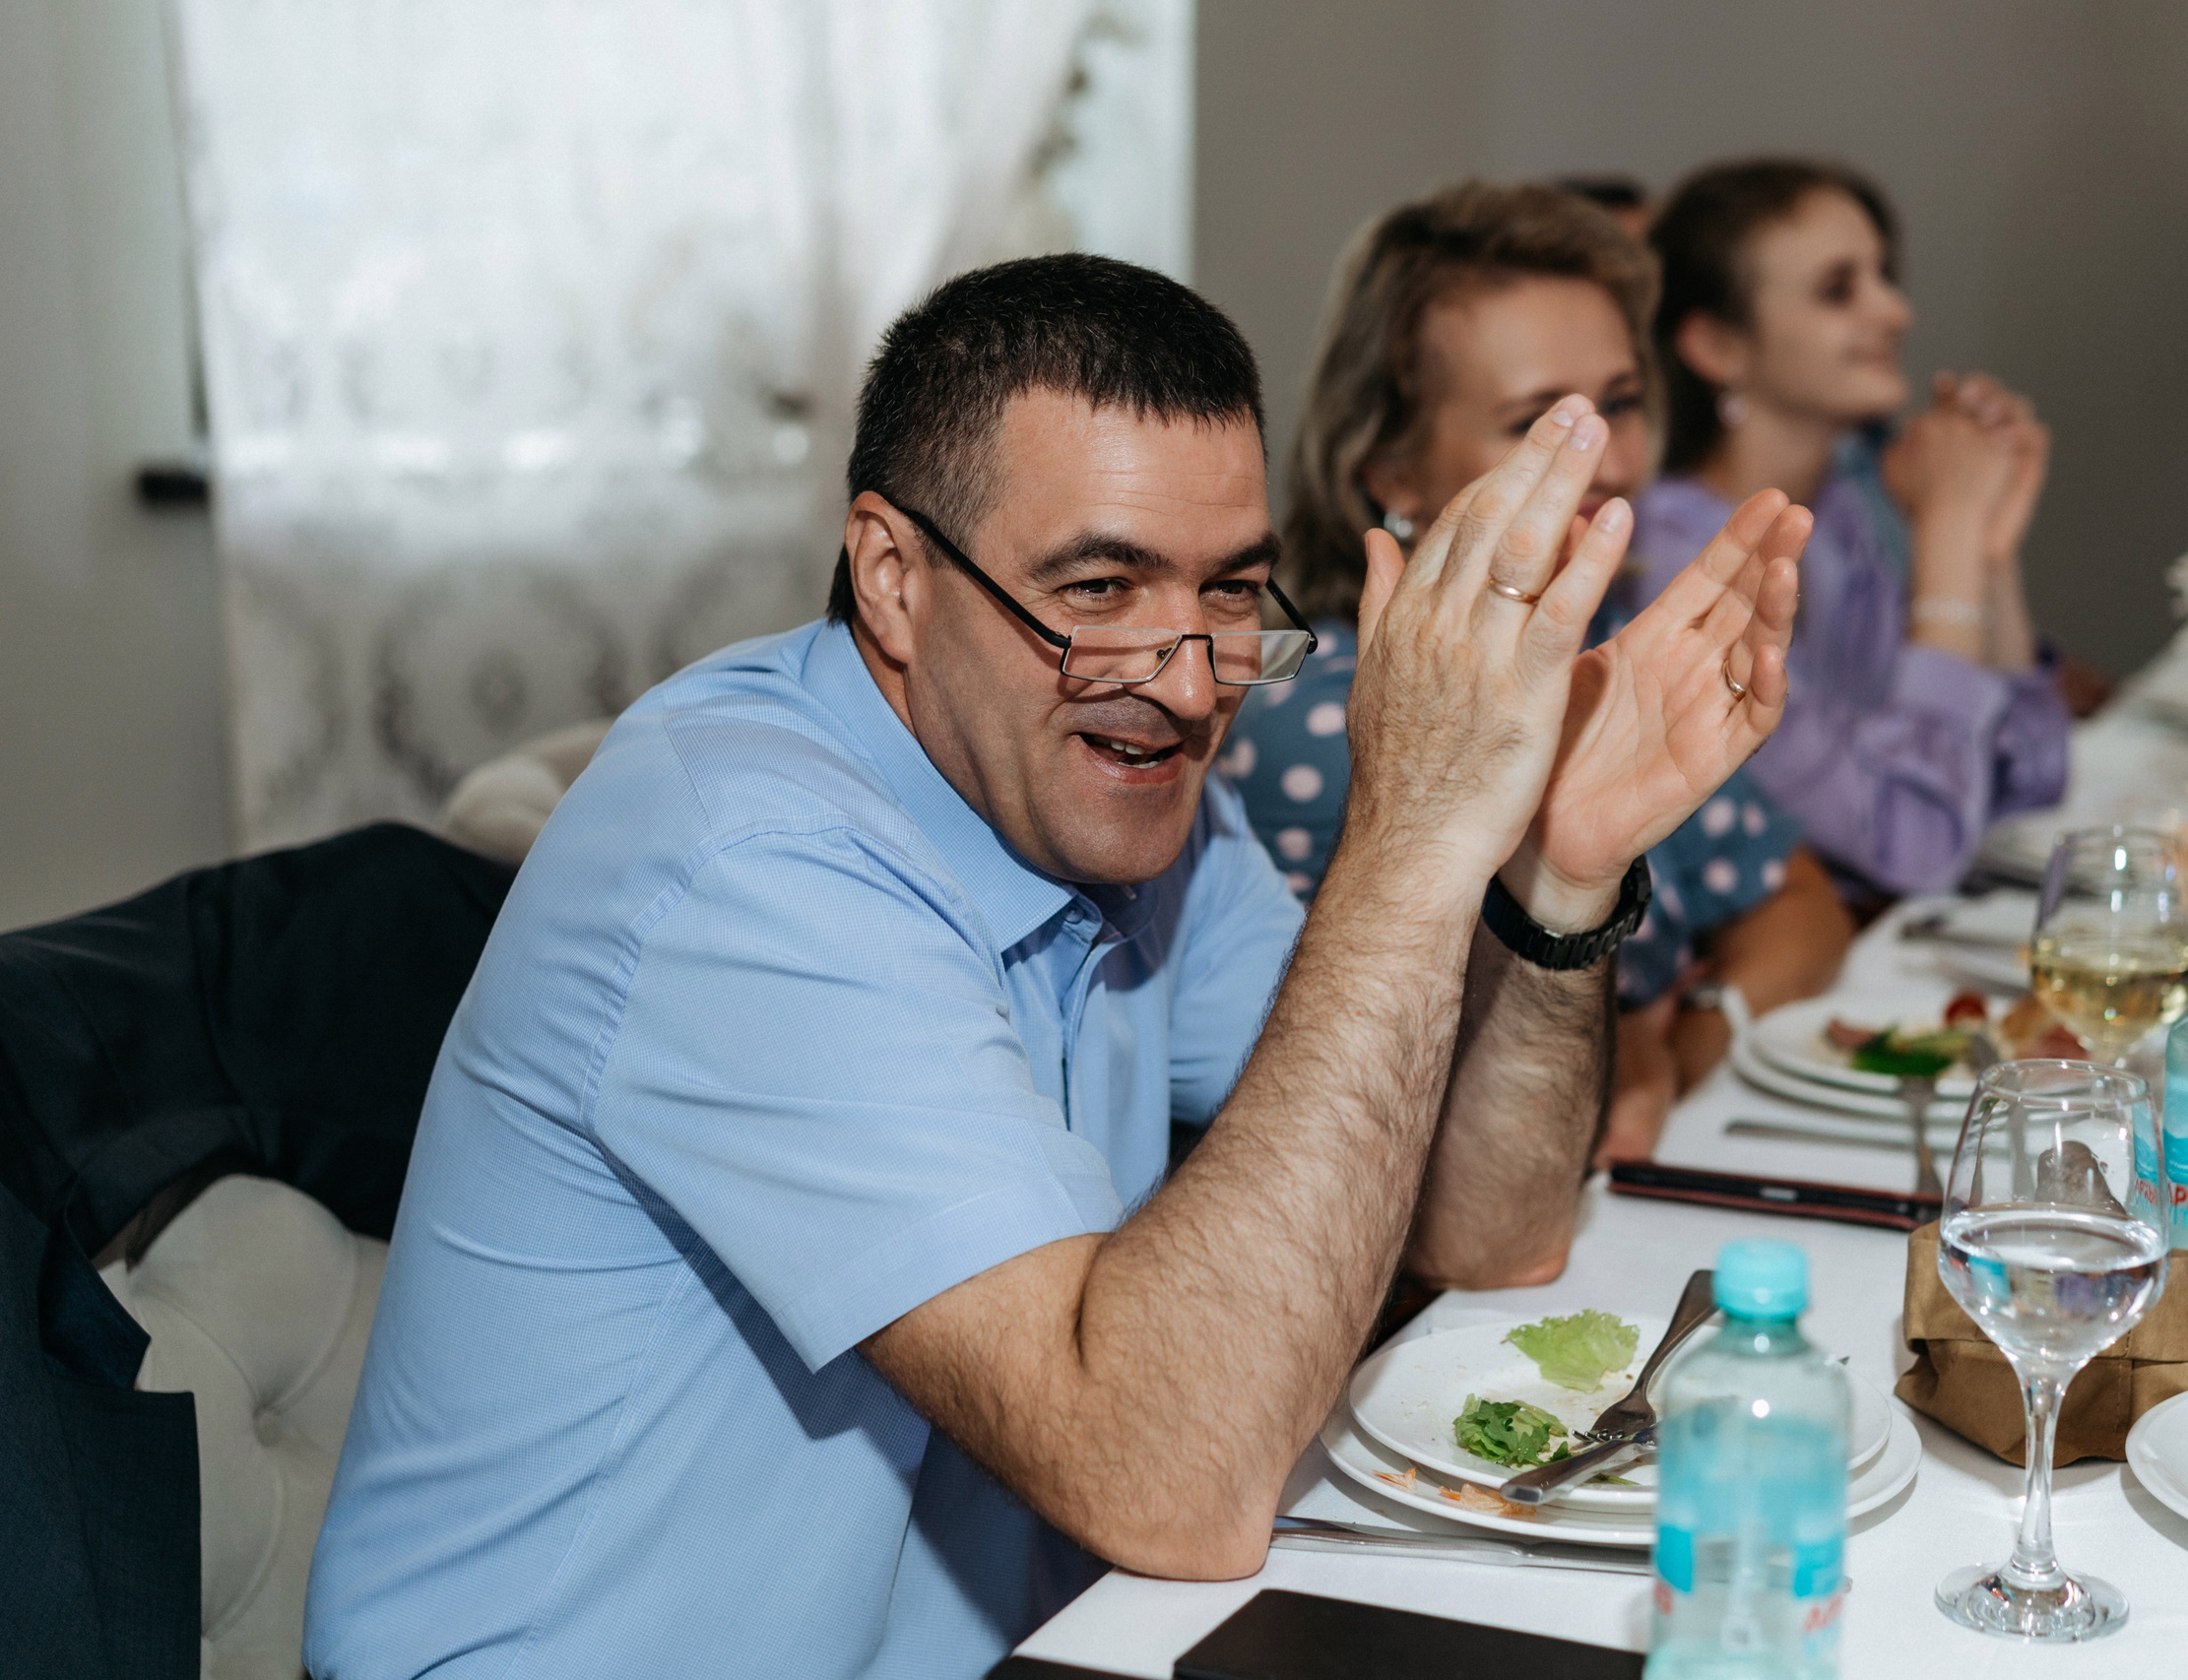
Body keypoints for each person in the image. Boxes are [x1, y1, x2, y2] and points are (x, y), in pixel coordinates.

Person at [301, 254, 1809, 1680]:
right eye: (1097, 591)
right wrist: (1411, 842)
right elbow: (1173, 1475)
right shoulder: (750, 859)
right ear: (891, 575)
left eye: (1230, 593)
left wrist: (1556, 880)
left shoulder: (1136, 811)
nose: (1181, 680)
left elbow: (1487, 1228)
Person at [1245, 181, 1850, 1166]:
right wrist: (1627, 1055)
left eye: (1619, 403)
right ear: (1391, 467)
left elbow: (1798, 899)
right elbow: (1417, 1129)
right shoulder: (1323, 722)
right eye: (1544, 425)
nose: (1605, 460)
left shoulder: (1609, 647)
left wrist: (1682, 1039)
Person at [1631, 159, 2070, 901]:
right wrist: (1950, 533)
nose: (1895, 311)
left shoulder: (1839, 505)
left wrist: (1989, 555)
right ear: (1717, 347)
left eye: (1883, 276)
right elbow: (1916, 845)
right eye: (1840, 289)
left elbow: (2032, 774)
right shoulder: (1683, 564)